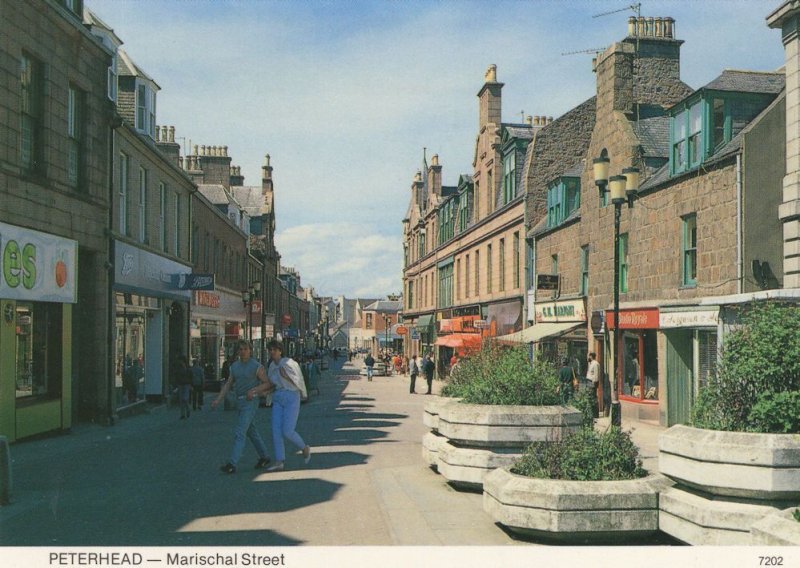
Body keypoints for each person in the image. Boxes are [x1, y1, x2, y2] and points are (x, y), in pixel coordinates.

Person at [211, 340, 272, 474]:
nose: (243, 352)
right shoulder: (234, 367)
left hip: (250, 401)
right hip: (239, 402)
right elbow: (228, 384)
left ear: (250, 350)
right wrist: (218, 400)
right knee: (251, 431)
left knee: (240, 432)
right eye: (240, 349)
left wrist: (254, 391)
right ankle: (264, 456)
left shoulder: (257, 366)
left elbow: (267, 383)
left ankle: (232, 463)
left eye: (245, 349)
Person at [263, 340, 311, 472]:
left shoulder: (289, 363)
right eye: (270, 350)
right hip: (278, 397)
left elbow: (298, 381)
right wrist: (262, 392)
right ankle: (280, 460)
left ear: (280, 351)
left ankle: (304, 447)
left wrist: (286, 377)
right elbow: (272, 384)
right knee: (276, 431)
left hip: (291, 396)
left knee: (288, 430)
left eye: (274, 350)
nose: (272, 352)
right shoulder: (272, 366)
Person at [586, 352, 600, 418]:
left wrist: (594, 384)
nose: (587, 358)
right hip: (589, 382)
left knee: (593, 398)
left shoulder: (595, 364)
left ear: (591, 356)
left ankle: (595, 414)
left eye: (588, 356)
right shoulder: (591, 364)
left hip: (592, 382)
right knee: (590, 397)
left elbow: (596, 375)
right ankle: (591, 413)